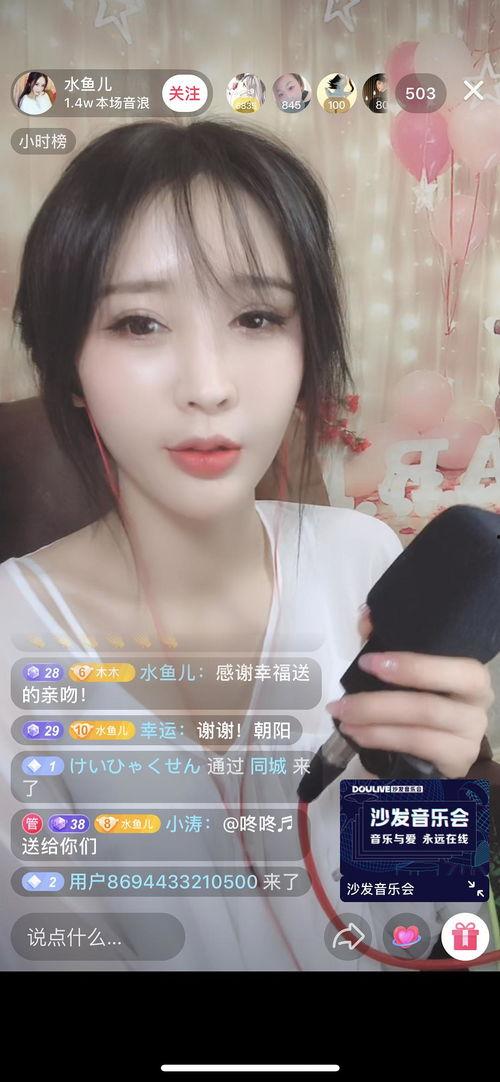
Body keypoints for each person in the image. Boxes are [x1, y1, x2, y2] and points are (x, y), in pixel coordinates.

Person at [1, 119, 493, 971]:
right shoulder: (13, 636)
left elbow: (436, 934)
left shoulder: (361, 559)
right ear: (68, 363)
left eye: (258, 316)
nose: (209, 386)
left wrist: (441, 797)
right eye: (138, 323)